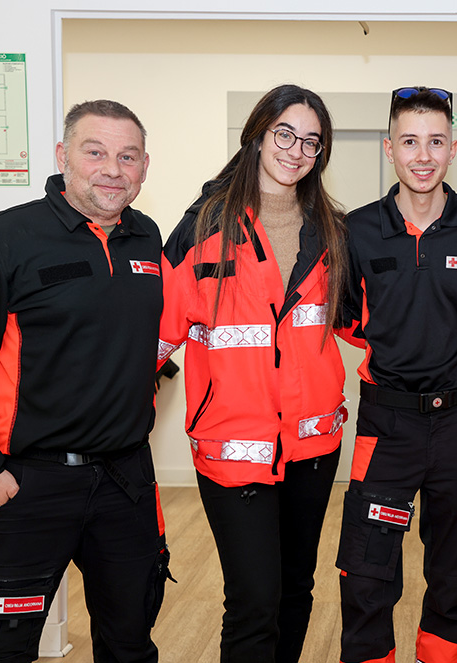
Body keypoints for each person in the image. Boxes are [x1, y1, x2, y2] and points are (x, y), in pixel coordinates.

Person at [0, 100, 170, 663]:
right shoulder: (0, 239)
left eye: (127, 156)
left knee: (131, 642)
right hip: (26, 486)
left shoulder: (145, 238)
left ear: (144, 167)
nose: (113, 168)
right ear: (63, 157)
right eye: (95, 152)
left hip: (125, 483)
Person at [158, 84, 347, 663]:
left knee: (296, 590)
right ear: (258, 134)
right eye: (284, 134)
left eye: (310, 142)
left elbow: (367, 320)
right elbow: (156, 335)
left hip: (313, 444)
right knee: (254, 599)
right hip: (232, 447)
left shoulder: (333, 231)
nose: (296, 150)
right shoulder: (203, 225)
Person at [336, 86, 457, 663]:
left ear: (453, 149)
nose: (423, 155)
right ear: (389, 148)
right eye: (410, 141)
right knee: (366, 573)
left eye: (435, 141)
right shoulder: (355, 230)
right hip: (386, 423)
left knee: (454, 572)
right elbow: (347, 321)